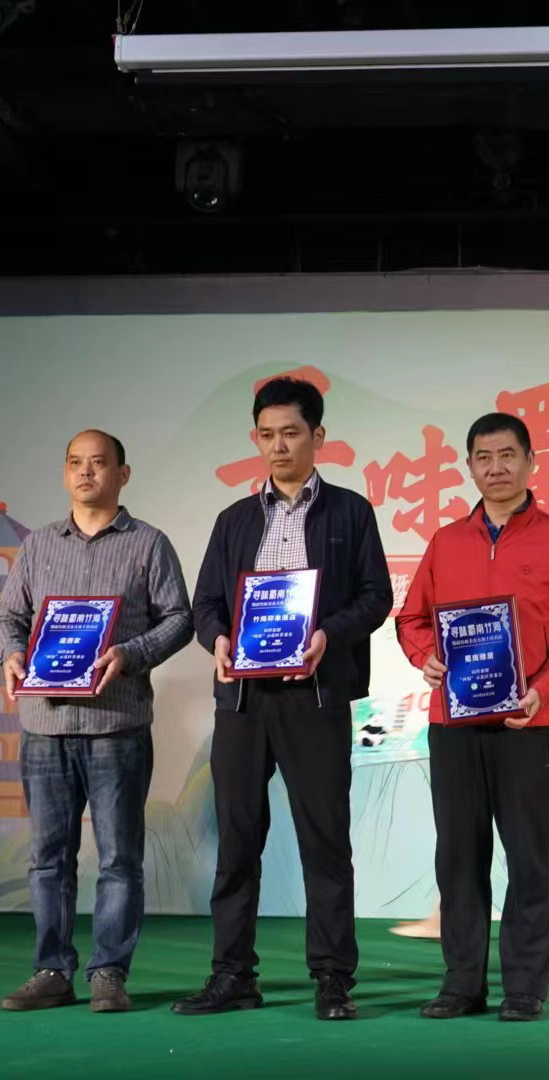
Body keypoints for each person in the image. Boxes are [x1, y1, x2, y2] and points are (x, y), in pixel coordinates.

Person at [173, 377, 393, 1020]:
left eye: (291, 433)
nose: (278, 446)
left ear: (317, 436)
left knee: (325, 841)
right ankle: (232, 975)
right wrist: (217, 639)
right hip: (242, 702)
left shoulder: (350, 513)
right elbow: (206, 605)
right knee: (238, 841)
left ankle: (332, 978)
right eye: (266, 435)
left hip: (315, 697)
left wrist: (327, 635)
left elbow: (376, 597)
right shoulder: (235, 520)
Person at [395, 412, 549, 1022]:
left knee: (530, 860)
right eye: (483, 457)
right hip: (453, 726)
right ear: (469, 466)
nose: (496, 468)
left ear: (532, 462)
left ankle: (524, 988)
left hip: (526, 726)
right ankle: (462, 984)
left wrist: (545, 688)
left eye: (508, 455)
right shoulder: (446, 542)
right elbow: (412, 618)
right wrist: (426, 657)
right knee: (459, 858)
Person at [0, 430, 192, 1014]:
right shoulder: (37, 545)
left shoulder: (148, 543)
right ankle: (52, 971)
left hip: (116, 725)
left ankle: (109, 972)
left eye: (99, 463)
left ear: (122, 475)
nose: (86, 473)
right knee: (47, 858)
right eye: (75, 463)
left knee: (119, 859)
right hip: (44, 724)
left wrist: (130, 653)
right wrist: (10, 654)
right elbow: (7, 616)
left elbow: (179, 619)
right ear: (65, 473)